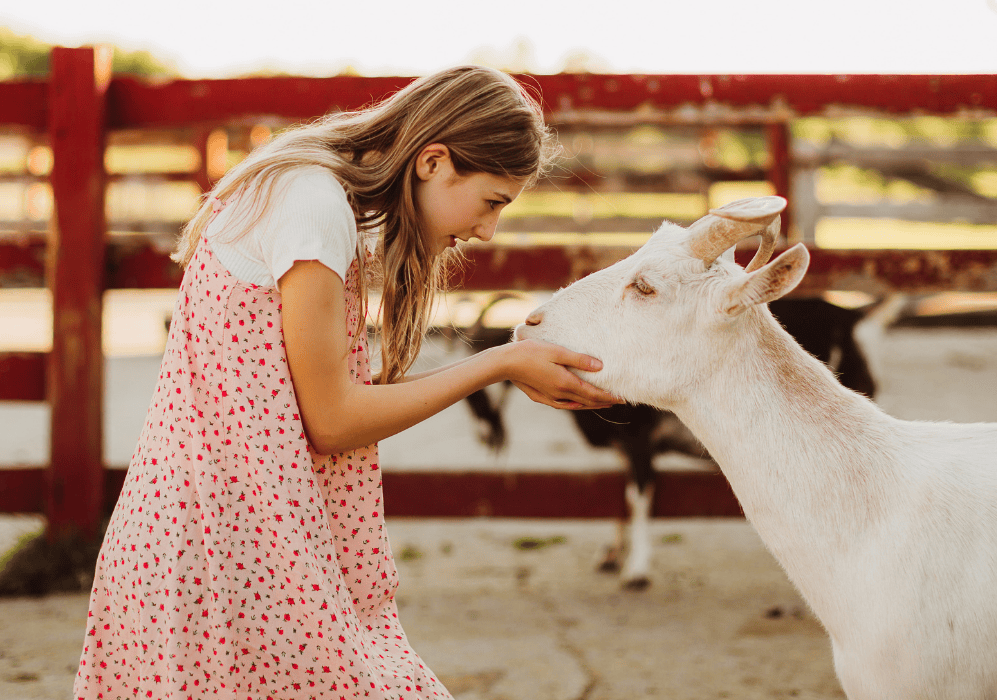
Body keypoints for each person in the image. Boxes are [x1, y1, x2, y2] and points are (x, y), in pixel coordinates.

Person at [74, 65, 621, 700]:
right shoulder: (312, 206)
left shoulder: (310, 195)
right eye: (492, 200)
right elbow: (331, 420)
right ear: (432, 161)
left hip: (214, 534)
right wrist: (496, 363)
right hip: (226, 548)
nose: (486, 230)